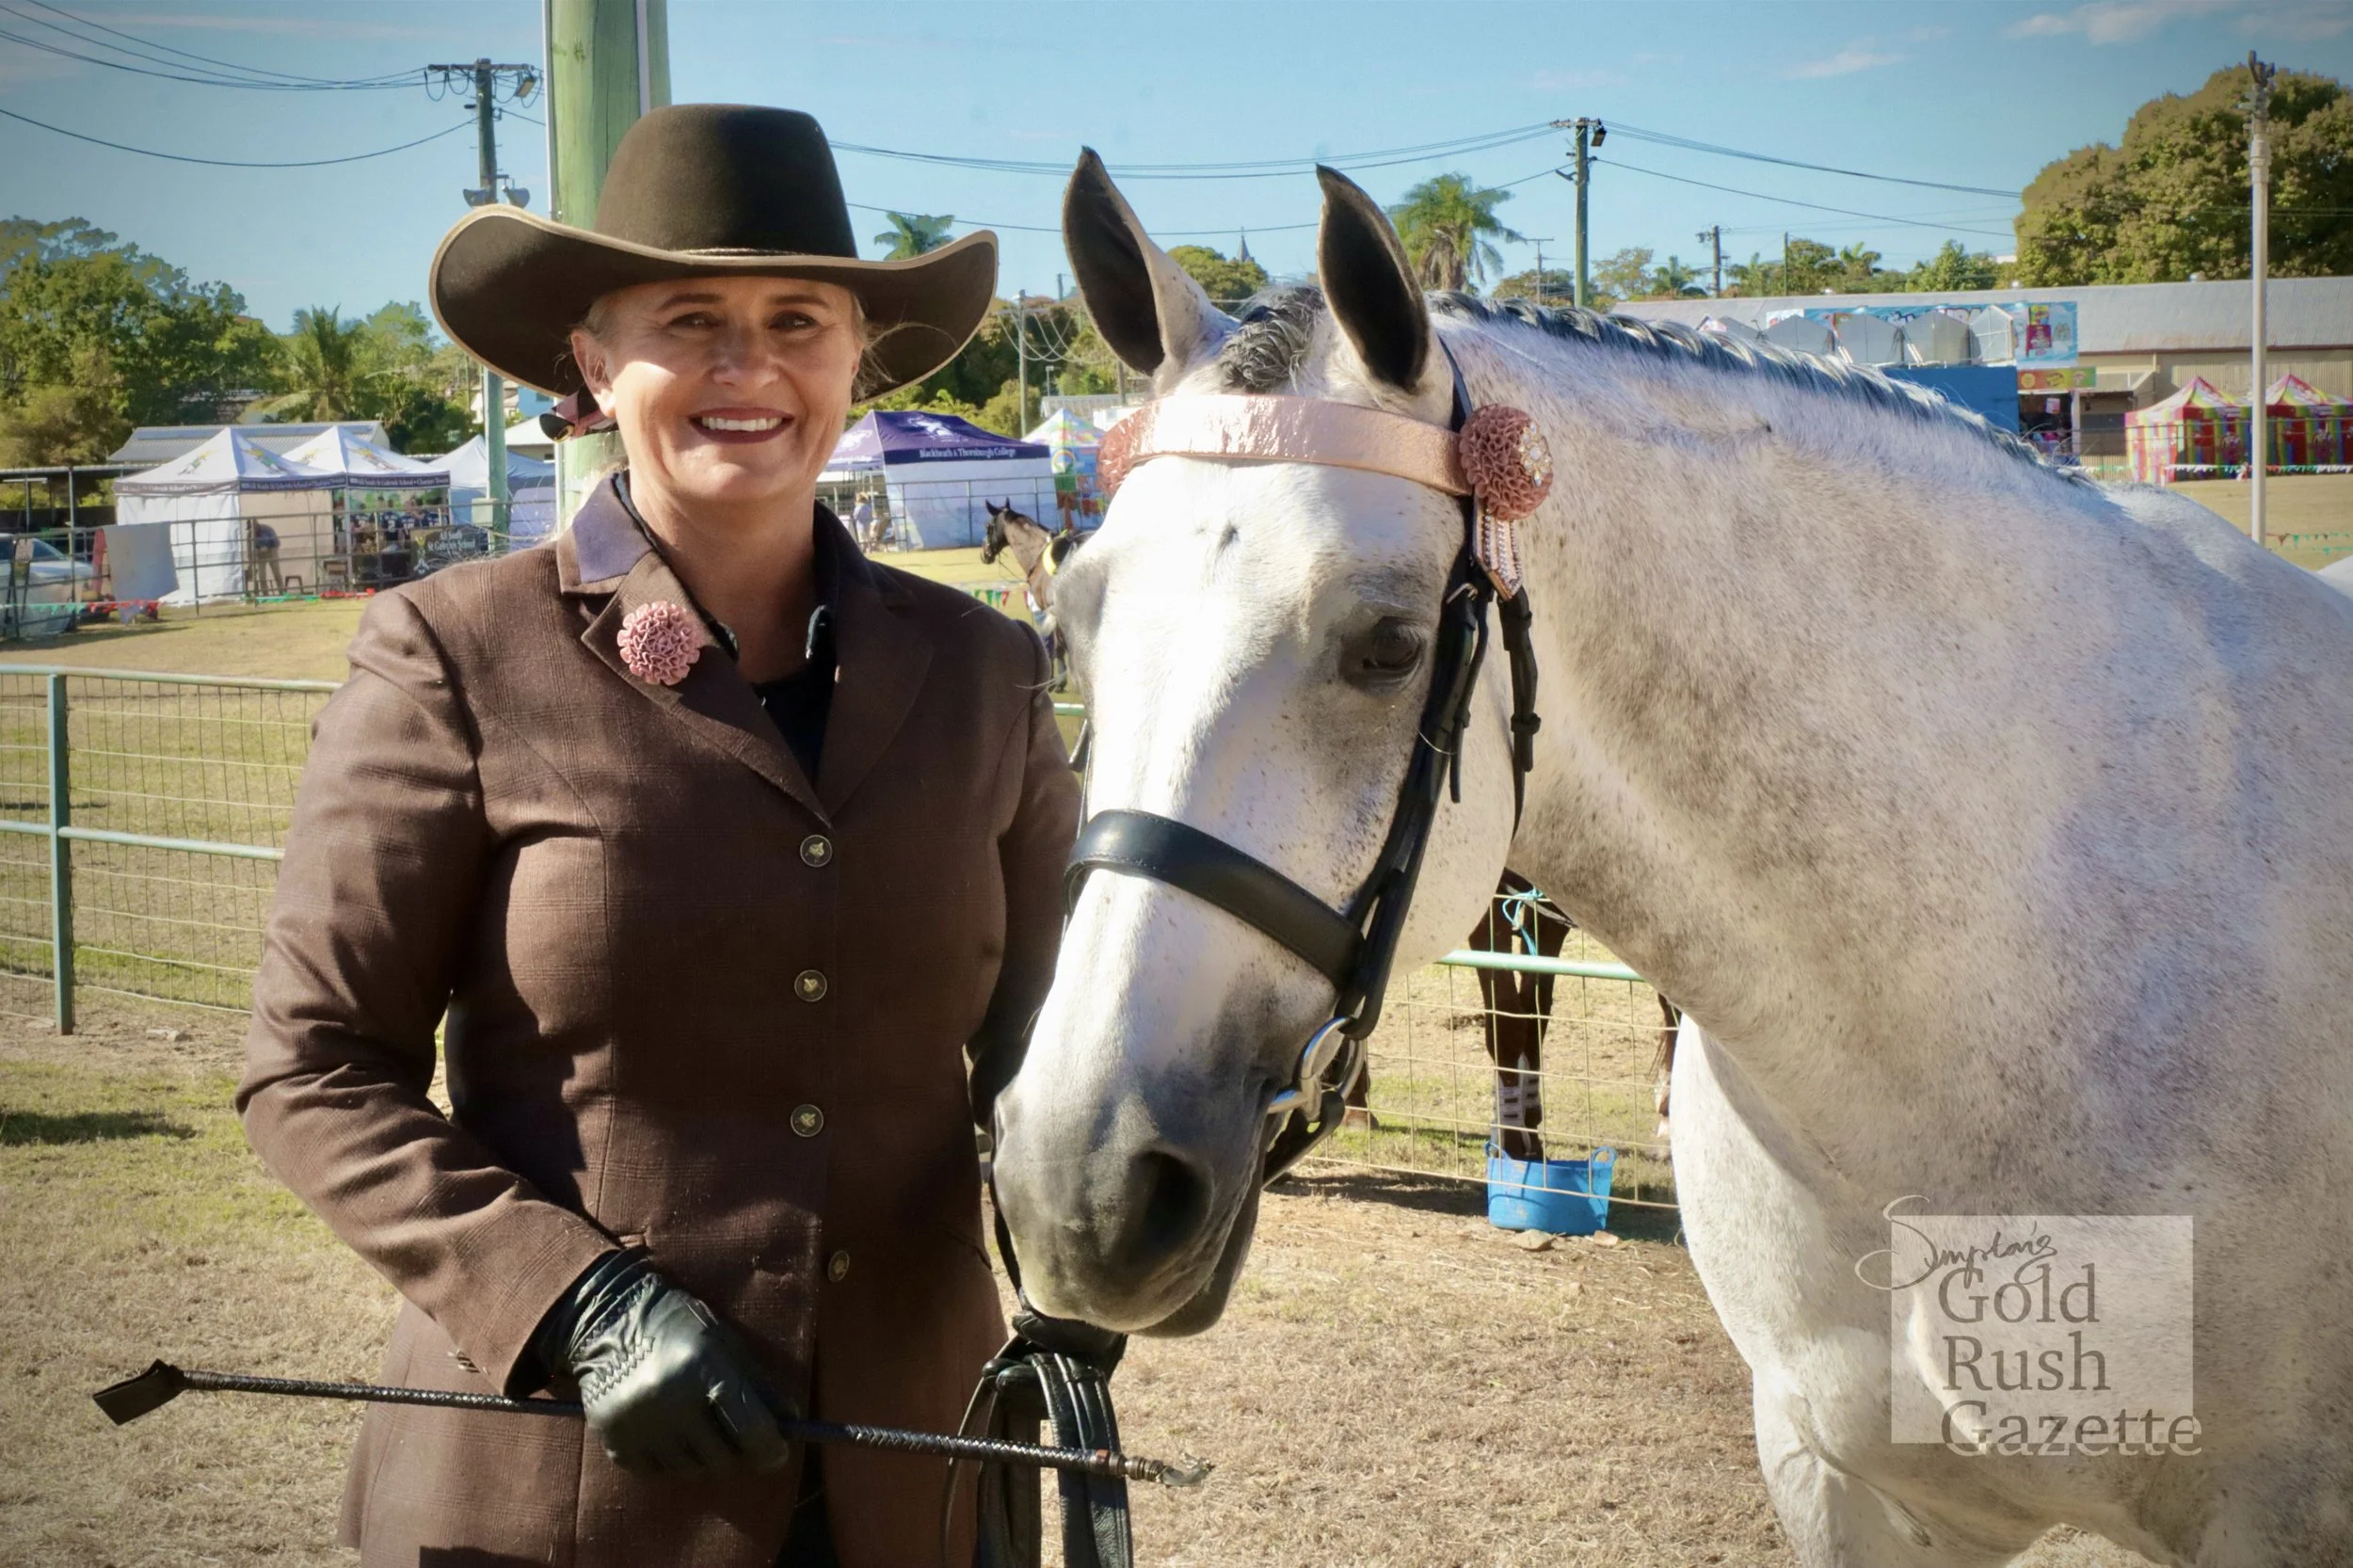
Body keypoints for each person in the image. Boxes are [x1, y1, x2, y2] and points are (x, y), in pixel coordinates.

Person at [238, 104, 1076, 1568]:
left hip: (923, 1486)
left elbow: (1049, 1055)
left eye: (797, 319)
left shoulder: (987, 673)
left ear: (856, 359)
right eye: (689, 319)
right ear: (592, 359)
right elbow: (310, 1070)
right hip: (555, 1496)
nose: (747, 366)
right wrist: (576, 1301)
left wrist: (1105, 1259)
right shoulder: (451, 651)